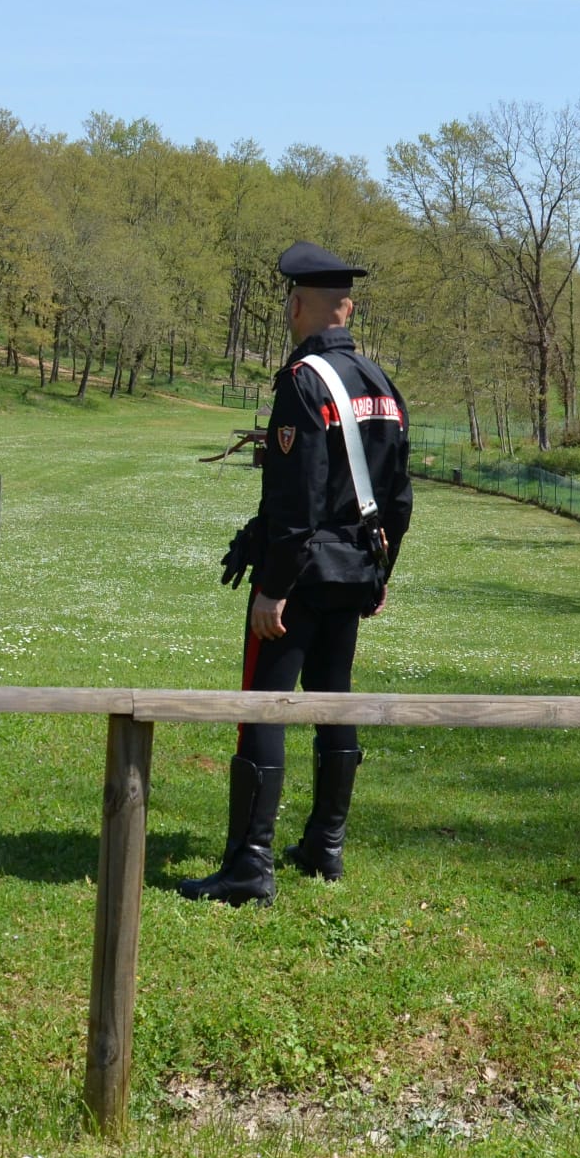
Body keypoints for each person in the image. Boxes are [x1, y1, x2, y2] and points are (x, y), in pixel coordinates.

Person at [179, 240, 412, 909]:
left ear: (299, 303)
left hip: (302, 575)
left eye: (288, 299)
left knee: (263, 707)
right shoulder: (380, 382)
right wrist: (381, 570)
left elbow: (296, 500)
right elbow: (397, 497)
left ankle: (249, 867)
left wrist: (272, 586)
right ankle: (324, 844)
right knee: (332, 697)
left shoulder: (303, 381)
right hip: (355, 568)